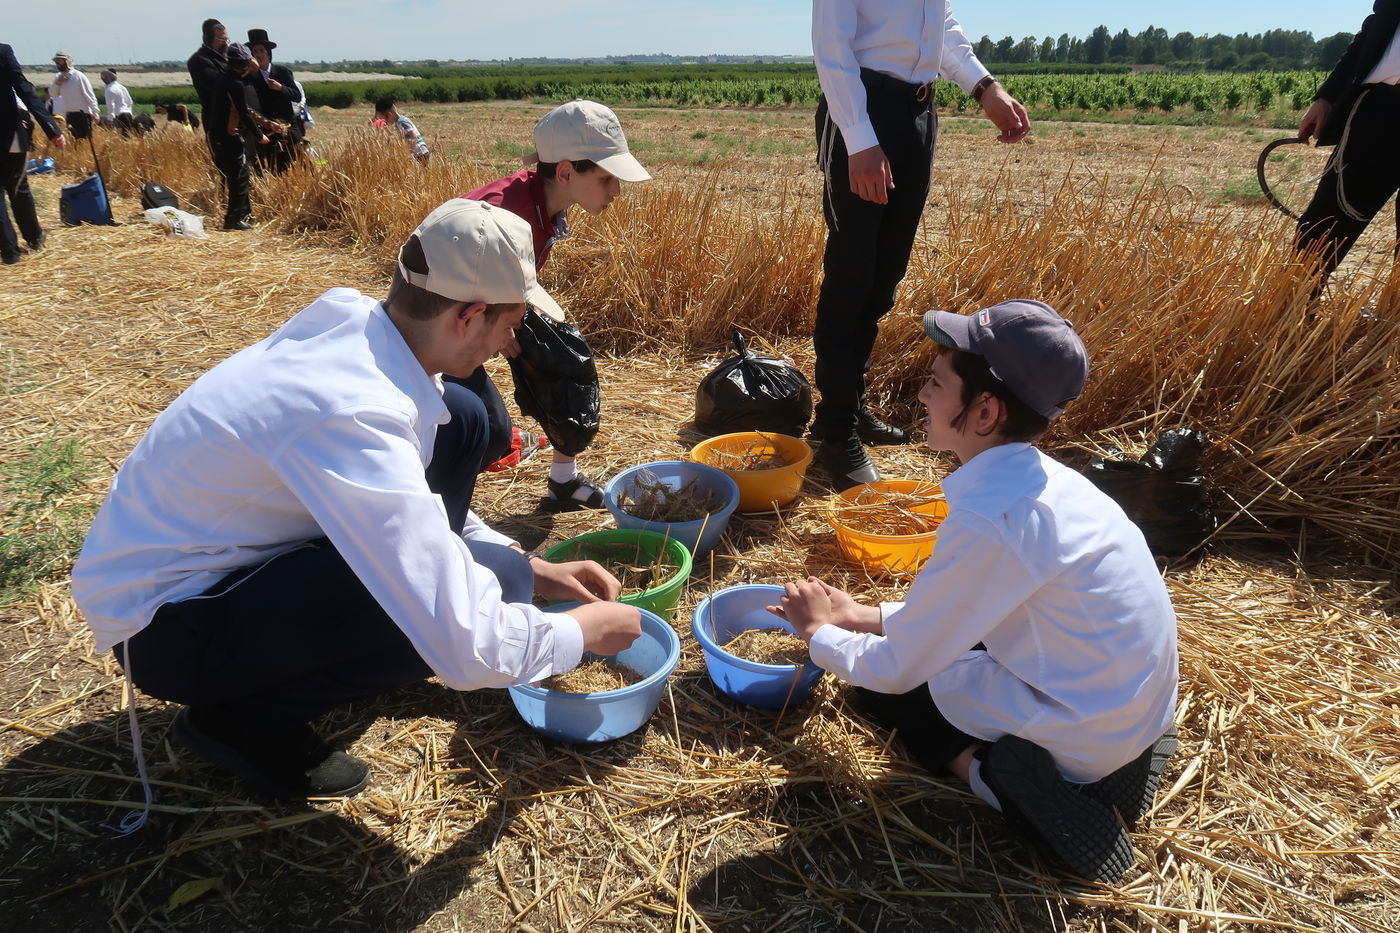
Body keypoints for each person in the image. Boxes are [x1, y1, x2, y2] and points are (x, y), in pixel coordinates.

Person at [72, 198, 643, 802]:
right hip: (164, 626)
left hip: (222, 565)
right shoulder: (352, 411)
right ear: (469, 316)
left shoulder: (364, 328)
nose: (509, 344)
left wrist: (536, 567)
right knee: (447, 604)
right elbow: (468, 651)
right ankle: (235, 722)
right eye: (510, 325)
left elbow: (409, 498)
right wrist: (581, 633)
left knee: (468, 430)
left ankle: (322, 653)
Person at [769, 300, 1178, 882]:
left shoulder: (993, 519)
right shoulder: (1052, 483)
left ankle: (997, 774)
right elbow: (973, 607)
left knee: (886, 695)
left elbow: (897, 668)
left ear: (984, 412)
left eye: (936, 383)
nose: (922, 396)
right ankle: (1106, 759)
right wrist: (864, 612)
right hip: (1134, 707)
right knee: (940, 655)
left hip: (1088, 726)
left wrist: (820, 633)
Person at [808, 1, 1030, 488]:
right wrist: (859, 139)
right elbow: (831, 46)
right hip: (862, 113)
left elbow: (939, 26)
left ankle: (847, 409)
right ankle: (836, 428)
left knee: (883, 279)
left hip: (916, 113)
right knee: (852, 277)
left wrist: (985, 87)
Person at [462, 99, 651, 509]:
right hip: (449, 327)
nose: (616, 191)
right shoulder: (499, 216)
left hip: (495, 307)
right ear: (565, 171)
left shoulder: (542, 202)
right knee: (488, 433)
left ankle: (562, 481)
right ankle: (440, 506)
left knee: (567, 356)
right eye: (606, 179)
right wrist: (497, 330)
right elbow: (443, 293)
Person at [1295, 0, 1400, 285]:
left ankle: (1392, 323)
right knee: (1328, 218)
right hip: (1379, 110)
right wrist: (1326, 97)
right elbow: (1370, 34)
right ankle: (1289, 315)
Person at [2, 44, 67, 265]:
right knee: (19, 188)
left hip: (9, 133)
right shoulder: (2, 52)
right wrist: (52, 129)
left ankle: (9, 251)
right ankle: (34, 238)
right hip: (8, 134)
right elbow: (24, 89)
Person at [208, 43, 280, 230]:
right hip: (227, 136)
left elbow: (243, 110)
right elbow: (244, 113)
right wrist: (260, 135)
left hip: (217, 136)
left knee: (237, 175)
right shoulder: (237, 84)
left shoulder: (224, 79)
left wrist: (267, 124)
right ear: (246, 64)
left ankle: (244, 214)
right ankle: (233, 219)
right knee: (239, 177)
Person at [246, 28, 302, 174]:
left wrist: (281, 88)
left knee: (293, 163)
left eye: (261, 50)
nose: (258, 55)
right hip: (266, 128)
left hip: (287, 126)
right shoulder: (249, 77)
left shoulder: (282, 72)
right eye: (255, 51)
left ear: (268, 52)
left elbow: (296, 95)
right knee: (272, 167)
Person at [47, 51, 99, 140]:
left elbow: (89, 95)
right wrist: (58, 83)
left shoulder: (78, 76)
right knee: (73, 141)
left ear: (67, 61)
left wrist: (95, 112)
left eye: (60, 61)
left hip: (83, 114)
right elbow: (53, 94)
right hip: (69, 115)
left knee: (84, 140)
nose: (58, 64)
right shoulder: (58, 77)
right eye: (56, 62)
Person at [187, 18, 228, 124]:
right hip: (217, 120)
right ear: (207, 39)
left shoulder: (227, 56)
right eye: (221, 40)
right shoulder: (198, 61)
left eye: (226, 39)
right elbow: (219, 85)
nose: (225, 44)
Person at [373, 97, 429, 164]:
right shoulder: (399, 122)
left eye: (384, 120)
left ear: (389, 114)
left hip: (420, 153)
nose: (385, 123)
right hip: (419, 152)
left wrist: (410, 154)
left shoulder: (402, 122)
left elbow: (413, 136)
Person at [100, 69, 135, 135]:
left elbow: (110, 105)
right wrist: (130, 113)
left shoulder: (110, 90)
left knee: (121, 139)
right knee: (127, 138)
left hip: (119, 116)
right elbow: (130, 102)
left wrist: (110, 119)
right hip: (128, 114)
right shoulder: (122, 87)